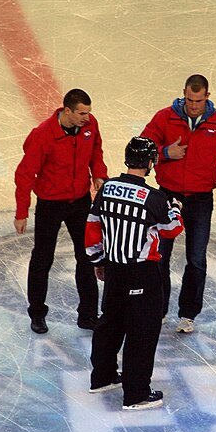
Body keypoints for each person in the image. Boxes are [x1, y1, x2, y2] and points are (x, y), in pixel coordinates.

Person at [85, 137, 184, 410]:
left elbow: (93, 227)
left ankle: (102, 377)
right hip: (142, 272)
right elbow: (171, 229)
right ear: (150, 163)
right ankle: (136, 393)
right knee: (143, 330)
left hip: (114, 269)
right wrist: (175, 209)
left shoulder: (106, 190)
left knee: (111, 322)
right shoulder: (153, 197)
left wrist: (98, 260)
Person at [140, 74, 216, 334]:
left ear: (207, 96)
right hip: (167, 197)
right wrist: (165, 153)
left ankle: (188, 313)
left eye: (198, 100)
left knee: (196, 259)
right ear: (183, 94)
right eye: (189, 99)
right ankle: (158, 308)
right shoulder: (165, 117)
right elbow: (142, 147)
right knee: (159, 256)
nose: (193, 105)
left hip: (200, 200)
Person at [14, 88, 109, 335]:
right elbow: (25, 174)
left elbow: (96, 149)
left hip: (79, 201)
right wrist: (21, 211)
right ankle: (37, 314)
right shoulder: (43, 135)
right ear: (67, 110)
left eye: (88, 113)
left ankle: (88, 315)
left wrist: (99, 174)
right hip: (50, 204)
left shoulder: (90, 124)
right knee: (42, 260)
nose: (86, 118)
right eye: (81, 113)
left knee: (87, 257)